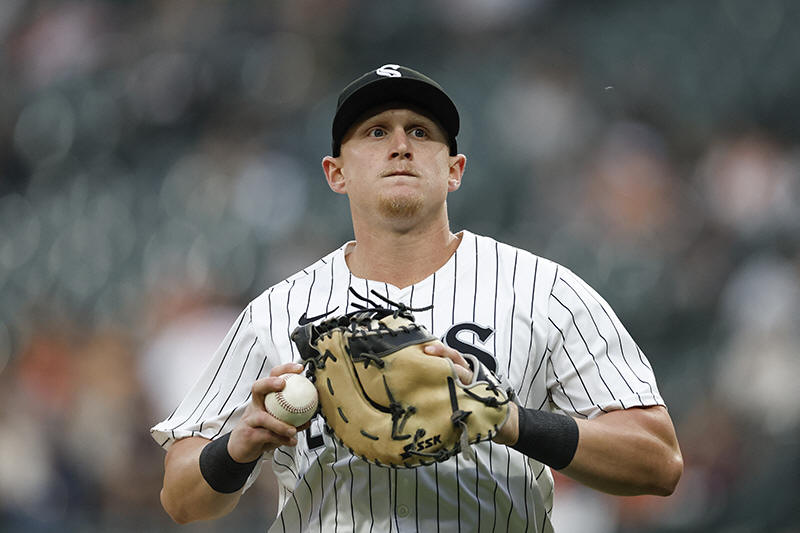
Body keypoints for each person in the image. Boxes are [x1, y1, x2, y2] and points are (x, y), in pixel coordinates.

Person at [152, 64, 683, 532]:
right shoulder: (276, 312)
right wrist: (236, 449)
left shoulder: (542, 291)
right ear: (336, 173)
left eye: (421, 132)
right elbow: (180, 498)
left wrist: (508, 419)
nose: (401, 145)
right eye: (376, 131)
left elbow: (659, 461)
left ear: (454, 170)